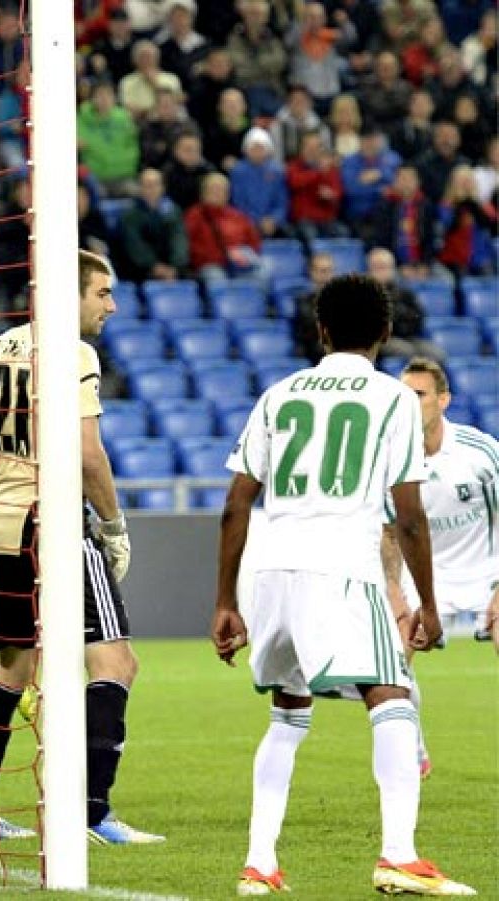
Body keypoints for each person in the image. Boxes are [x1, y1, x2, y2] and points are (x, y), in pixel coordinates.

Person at [211, 275, 475, 897]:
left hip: (273, 569)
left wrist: (226, 600)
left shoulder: (278, 395)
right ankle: (399, 856)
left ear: (321, 330)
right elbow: (407, 515)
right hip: (342, 567)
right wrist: (429, 605)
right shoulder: (392, 400)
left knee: (287, 712)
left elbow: (235, 506)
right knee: (393, 694)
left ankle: (259, 864)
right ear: (384, 333)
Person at [0, 250, 163, 845]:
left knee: (13, 669)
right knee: (116, 663)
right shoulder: (75, 356)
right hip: (53, 523)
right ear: (71, 294)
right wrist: (114, 526)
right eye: (102, 293)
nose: (111, 306)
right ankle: (91, 813)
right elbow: (88, 453)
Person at [377, 357, 499, 779]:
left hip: (487, 571)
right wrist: (396, 596)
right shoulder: (387, 459)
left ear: (443, 400)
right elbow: (389, 534)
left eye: (419, 395)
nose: (408, 404)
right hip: (423, 576)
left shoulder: (480, 451)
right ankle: (411, 749)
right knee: (391, 665)